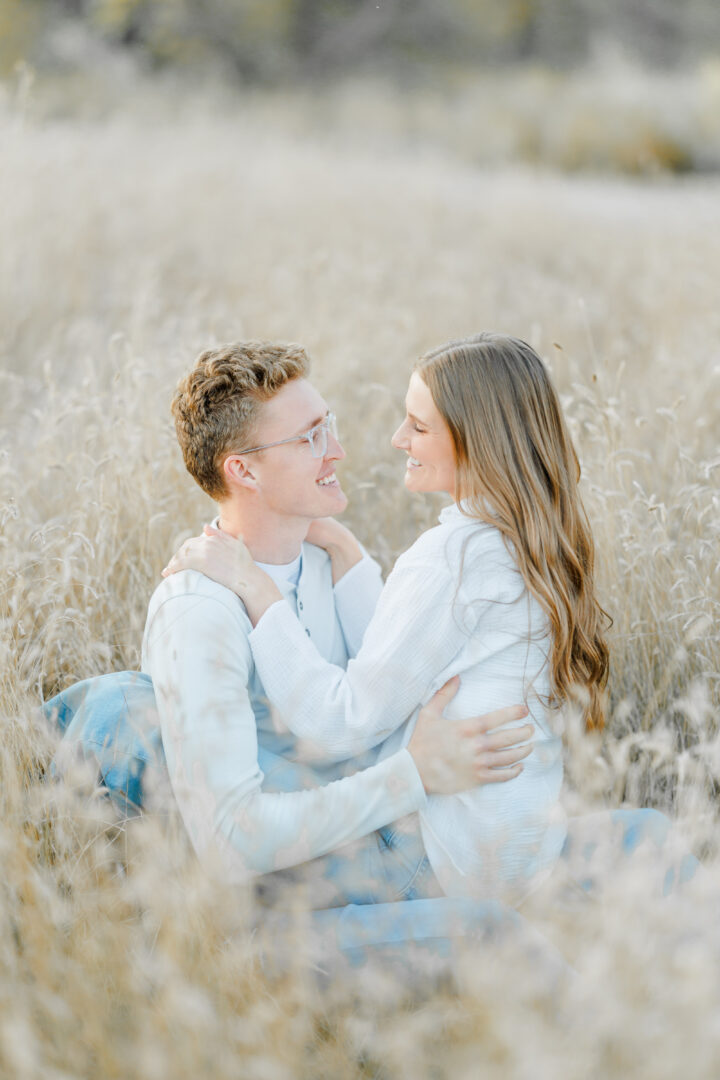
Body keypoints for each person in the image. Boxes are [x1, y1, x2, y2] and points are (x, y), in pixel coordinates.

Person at [46, 340, 535, 913]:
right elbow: (232, 840)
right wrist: (413, 776)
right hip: (304, 886)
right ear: (244, 469)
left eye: (329, 425)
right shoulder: (199, 610)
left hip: (397, 842)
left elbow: (389, 689)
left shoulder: (327, 559)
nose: (339, 450)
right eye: (311, 438)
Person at [163, 332, 611, 906]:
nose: (398, 438)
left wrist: (255, 588)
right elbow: (408, 663)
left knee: (272, 904)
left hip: (450, 860)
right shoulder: (524, 538)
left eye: (418, 427)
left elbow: (339, 720)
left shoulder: (451, 557)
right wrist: (351, 559)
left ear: (478, 442)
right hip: (521, 848)